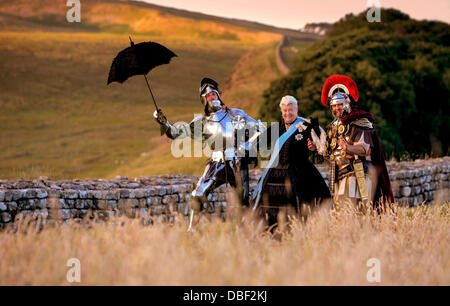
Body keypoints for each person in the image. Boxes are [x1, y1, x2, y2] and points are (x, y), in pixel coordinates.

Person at [154, 77, 265, 229]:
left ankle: (247, 234)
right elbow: (177, 133)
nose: (211, 97)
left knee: (243, 201)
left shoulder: (235, 114)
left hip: (237, 161)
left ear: (218, 95)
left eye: (213, 94)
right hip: (216, 162)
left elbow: (260, 128)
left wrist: (248, 144)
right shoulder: (202, 122)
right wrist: (164, 123)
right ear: (204, 101)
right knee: (198, 194)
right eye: (207, 96)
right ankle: (191, 230)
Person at [307, 75, 394, 212]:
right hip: (338, 175)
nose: (337, 108)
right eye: (334, 106)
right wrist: (317, 148)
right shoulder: (333, 126)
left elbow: (365, 149)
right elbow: (332, 155)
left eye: (340, 105)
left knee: (356, 212)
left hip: (357, 173)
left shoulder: (359, 121)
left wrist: (348, 147)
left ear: (347, 104)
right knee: (340, 213)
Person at [252, 95, 331, 231]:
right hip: (275, 173)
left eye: (290, 110)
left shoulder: (306, 126)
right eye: (285, 110)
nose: (287, 113)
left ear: (296, 109)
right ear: (281, 111)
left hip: (300, 173)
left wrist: (314, 147)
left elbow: (322, 148)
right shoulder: (277, 127)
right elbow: (260, 143)